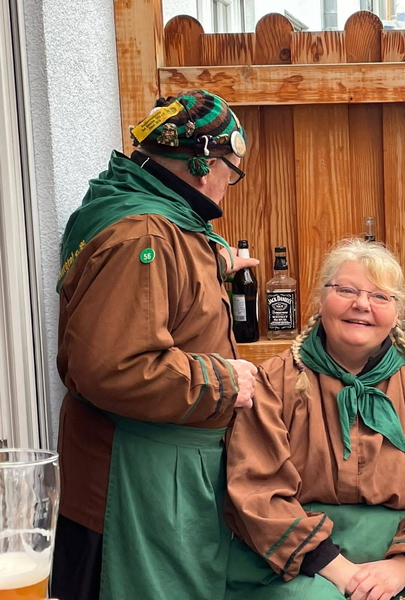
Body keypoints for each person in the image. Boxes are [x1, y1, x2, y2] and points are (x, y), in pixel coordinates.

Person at [52, 90, 260, 600]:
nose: (227, 187)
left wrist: (214, 259)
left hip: (153, 474)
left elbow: (155, 290)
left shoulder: (142, 214)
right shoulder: (143, 236)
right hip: (134, 483)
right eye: (230, 173)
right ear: (203, 165)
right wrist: (226, 380)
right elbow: (116, 366)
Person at [225, 238, 405, 600]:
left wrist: (403, 565)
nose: (362, 304)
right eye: (346, 290)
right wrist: (343, 573)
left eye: (380, 296)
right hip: (295, 563)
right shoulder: (274, 382)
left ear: (396, 313)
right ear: (321, 300)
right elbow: (255, 490)